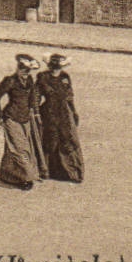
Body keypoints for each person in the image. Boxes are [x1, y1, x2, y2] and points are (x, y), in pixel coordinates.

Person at [0, 54, 47, 190]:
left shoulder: (29, 81)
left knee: (15, 148)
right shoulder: (10, 81)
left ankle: (8, 175)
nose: (25, 72)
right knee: (21, 149)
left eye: (28, 70)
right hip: (11, 118)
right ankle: (26, 178)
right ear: (18, 67)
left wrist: (36, 112)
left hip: (26, 119)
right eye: (22, 68)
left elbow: (33, 98)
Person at [37, 54, 83, 182]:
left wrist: (74, 112)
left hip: (64, 112)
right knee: (50, 141)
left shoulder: (65, 77)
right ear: (49, 66)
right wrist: (35, 113)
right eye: (53, 66)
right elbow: (36, 96)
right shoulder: (43, 77)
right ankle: (45, 170)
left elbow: (69, 96)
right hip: (49, 112)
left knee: (67, 140)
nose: (56, 69)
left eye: (58, 67)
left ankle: (69, 171)